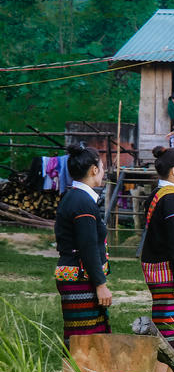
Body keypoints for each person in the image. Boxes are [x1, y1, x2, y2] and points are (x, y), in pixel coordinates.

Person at [140, 146, 174, 369]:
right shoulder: (172, 198)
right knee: (169, 327)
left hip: (161, 266)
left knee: (168, 322)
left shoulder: (159, 193)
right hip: (168, 270)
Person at [54, 144, 112, 343]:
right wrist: (101, 284)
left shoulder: (75, 197)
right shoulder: (82, 202)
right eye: (102, 167)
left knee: (82, 337)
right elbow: (87, 247)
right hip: (79, 277)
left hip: (77, 275)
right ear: (94, 169)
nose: (103, 172)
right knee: (84, 341)